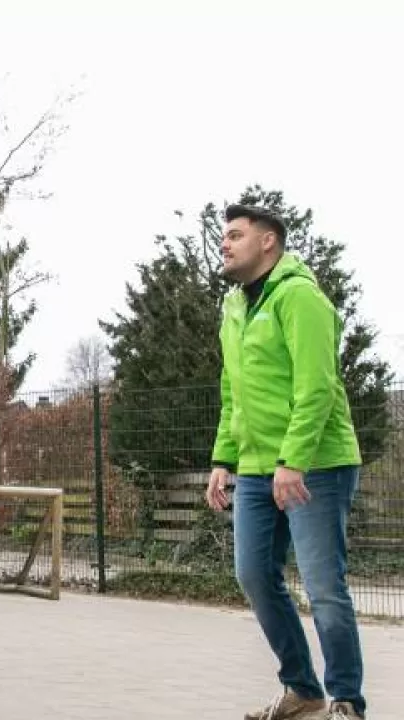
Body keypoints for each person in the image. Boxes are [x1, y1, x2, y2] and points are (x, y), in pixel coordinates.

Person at [206, 204, 366, 720]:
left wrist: (293, 461)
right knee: (254, 575)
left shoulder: (301, 296)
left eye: (235, 235)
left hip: (316, 463)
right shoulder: (233, 305)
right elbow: (233, 390)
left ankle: (346, 700)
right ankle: (304, 690)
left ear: (268, 242)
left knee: (323, 586)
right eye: (222, 236)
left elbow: (316, 387)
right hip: (255, 466)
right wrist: (222, 459)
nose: (224, 244)